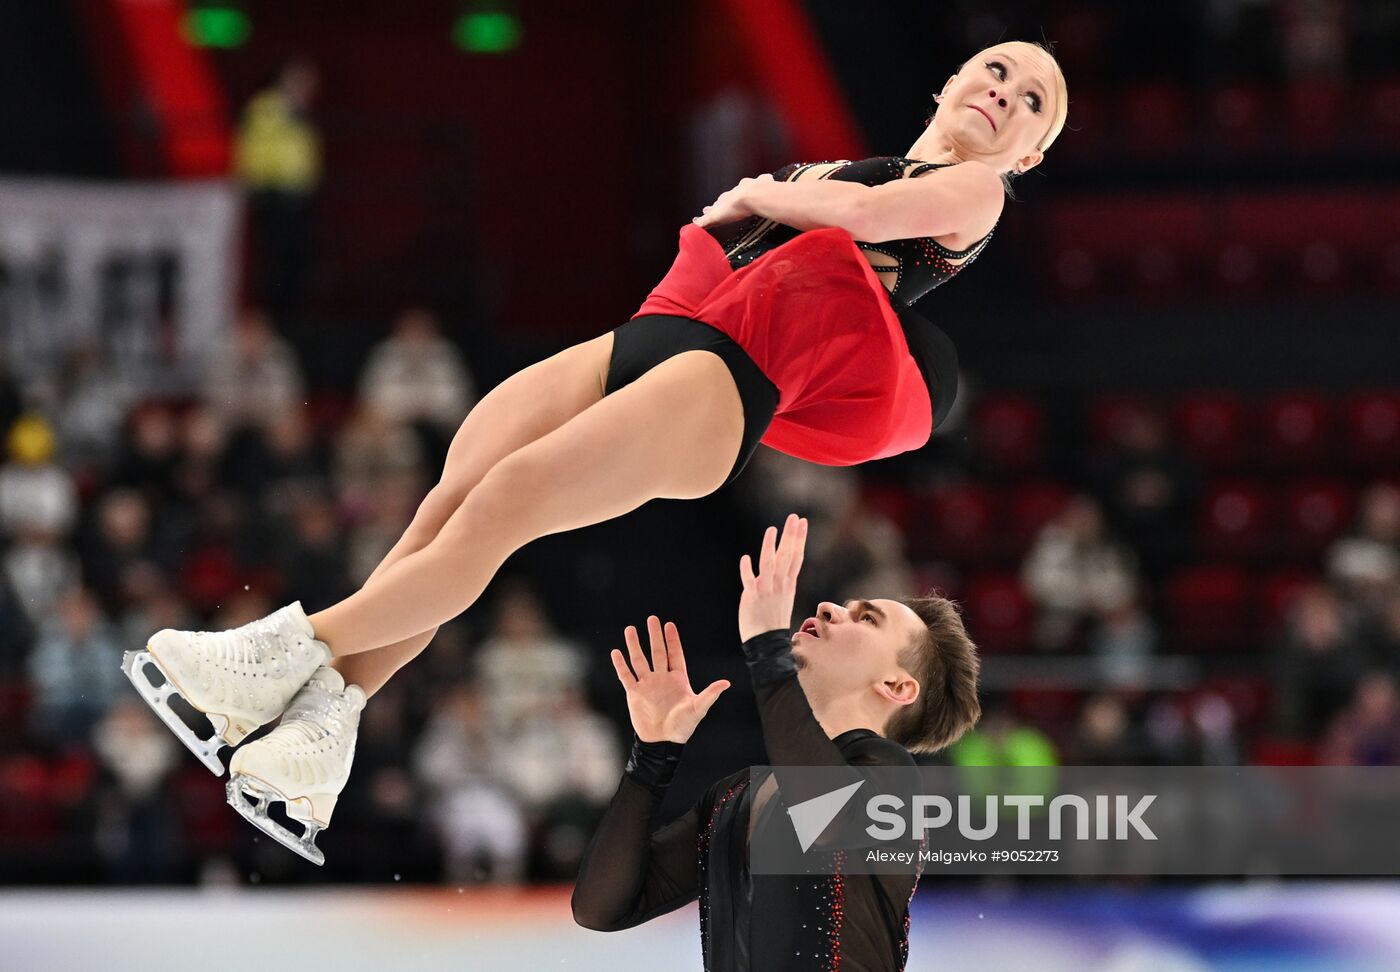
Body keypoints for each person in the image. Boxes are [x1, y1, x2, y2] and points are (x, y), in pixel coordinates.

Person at [122, 43, 1063, 859]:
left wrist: (759, 192)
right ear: (950, 80)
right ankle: (323, 732)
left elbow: (857, 219)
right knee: (454, 494)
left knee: (508, 501)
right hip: (663, 329)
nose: (1004, 92)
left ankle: (279, 654)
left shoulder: (974, 192)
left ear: (1029, 153)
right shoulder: (859, 162)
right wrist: (765, 203)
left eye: (1032, 101)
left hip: (725, 381)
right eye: (996, 70)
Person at [571, 515, 981, 969]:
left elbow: (821, 815)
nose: (829, 607)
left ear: (897, 686)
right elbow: (599, 908)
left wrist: (767, 645)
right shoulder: (735, 795)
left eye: (866, 618)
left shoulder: (895, 784)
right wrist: (652, 755)